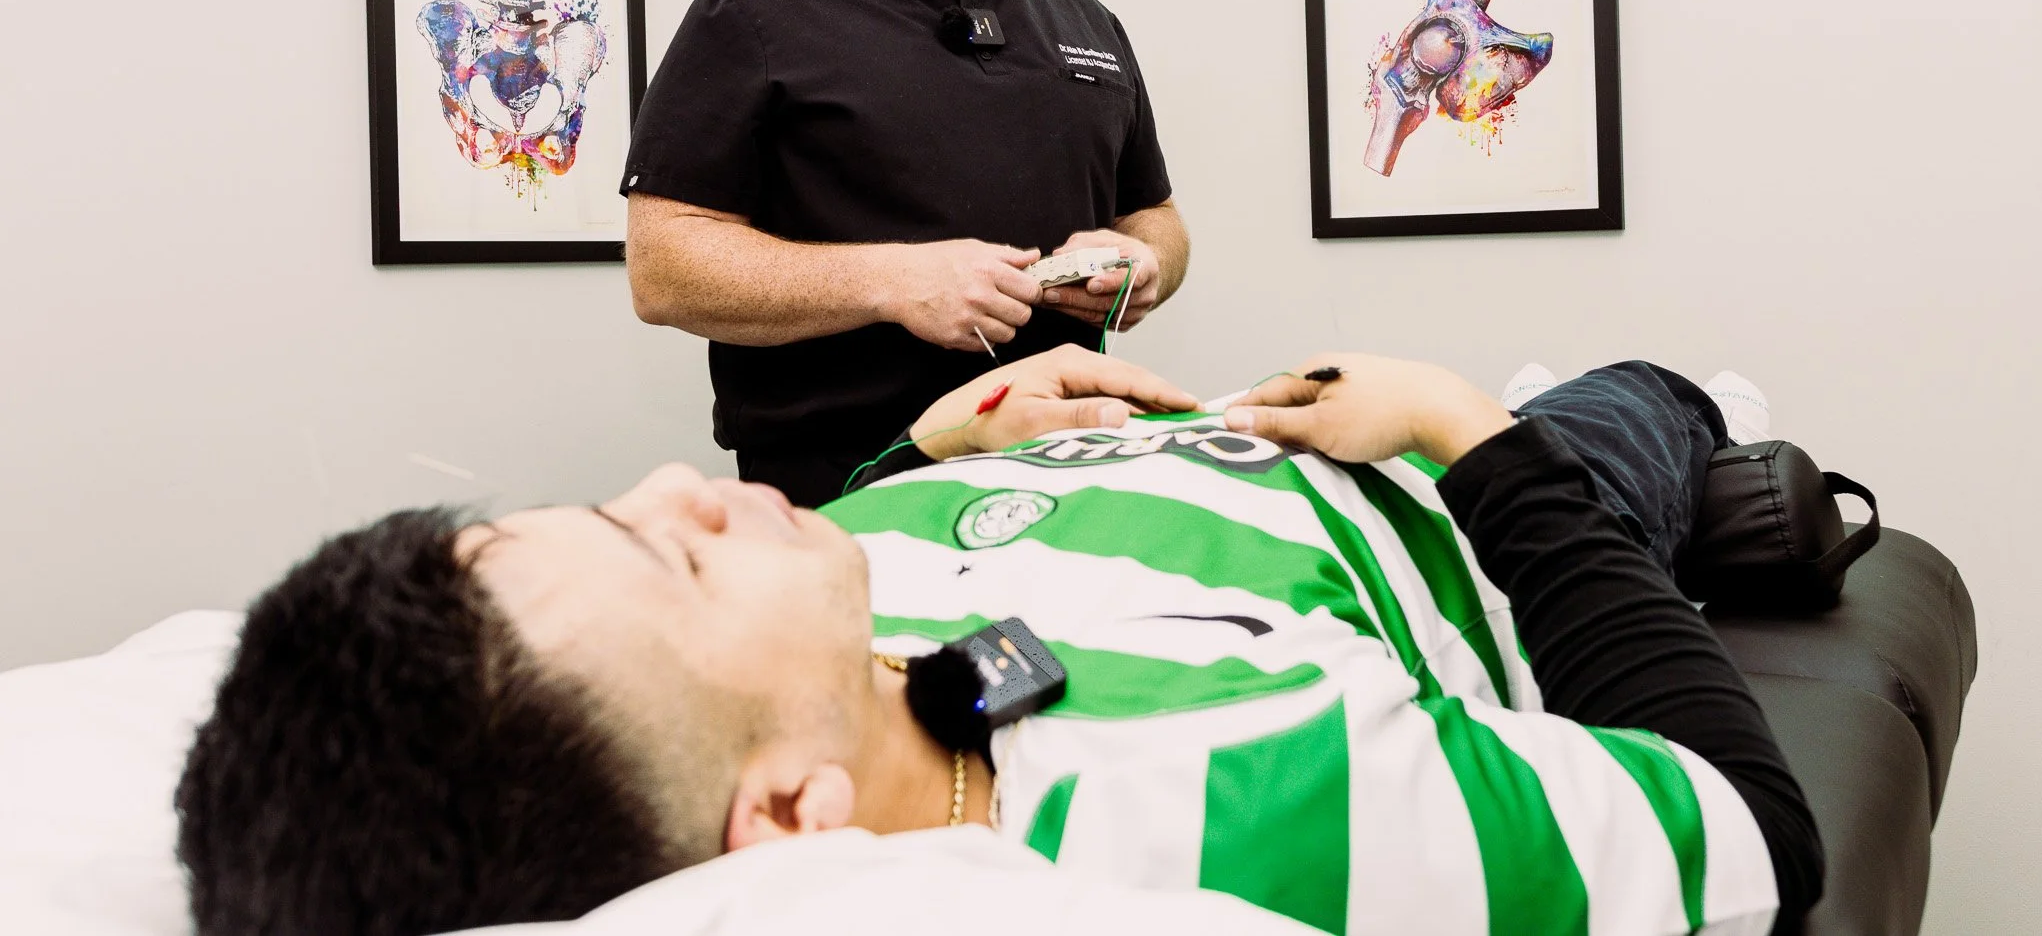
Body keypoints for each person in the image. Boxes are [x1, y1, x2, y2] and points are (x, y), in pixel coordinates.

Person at [177, 346, 1822, 936]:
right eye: (668, 555)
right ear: (789, 823)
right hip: (1418, 492)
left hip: (1139, 440)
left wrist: (929, 456)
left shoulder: (800, 654)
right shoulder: (1246, 816)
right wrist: (1472, 436)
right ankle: (1716, 452)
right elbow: (1748, 826)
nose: (687, 483)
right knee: (1637, 396)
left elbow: (816, 628)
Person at [620, 0, 1189, 507]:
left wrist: (1147, 266)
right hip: (855, 497)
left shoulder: (1088, 22)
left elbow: (1157, 220)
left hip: (1078, 475)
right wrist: (893, 281)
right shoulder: (746, 20)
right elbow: (662, 267)